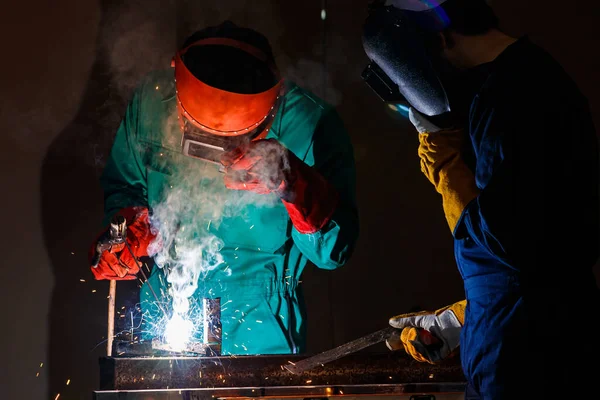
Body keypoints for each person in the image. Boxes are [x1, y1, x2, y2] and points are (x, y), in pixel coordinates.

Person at [362, 1, 600, 399]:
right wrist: (465, 318)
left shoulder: (515, 95)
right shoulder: (514, 83)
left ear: (438, 40)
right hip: (520, 340)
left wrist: (445, 164)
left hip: (529, 363)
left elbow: (507, 239)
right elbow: (543, 253)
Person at [88, 21, 359, 356]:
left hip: (259, 330)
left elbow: (334, 250)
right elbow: (124, 184)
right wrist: (131, 228)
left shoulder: (310, 123)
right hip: (165, 313)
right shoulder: (152, 103)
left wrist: (296, 185)